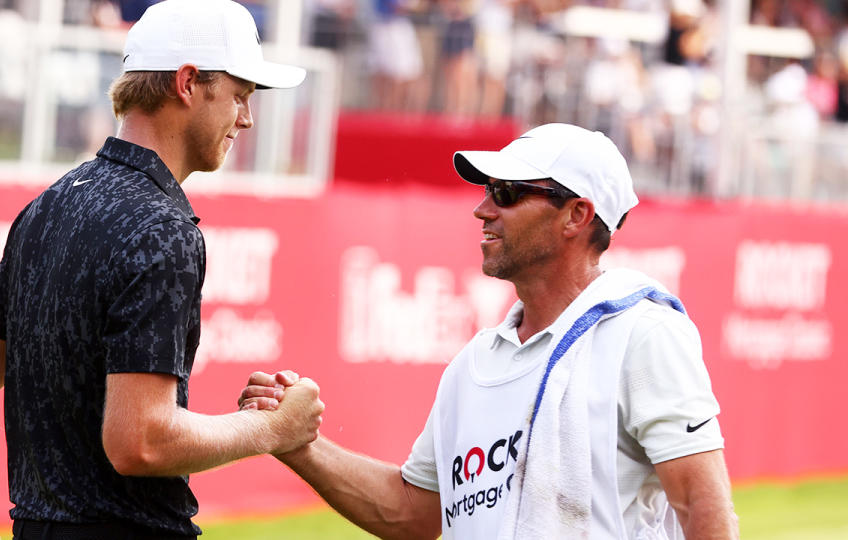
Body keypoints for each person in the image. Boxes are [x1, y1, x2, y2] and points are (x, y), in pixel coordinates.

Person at [0, 1, 323, 538]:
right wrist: (272, 428)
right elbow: (140, 440)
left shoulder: (49, 204)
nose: (247, 117)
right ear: (187, 83)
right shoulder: (164, 229)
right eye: (239, 95)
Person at [242, 123, 739, 539]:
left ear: (577, 215)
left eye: (506, 193)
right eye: (486, 192)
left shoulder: (644, 333)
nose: (482, 210)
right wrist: (296, 443)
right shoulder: (473, 363)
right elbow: (412, 511)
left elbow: (702, 509)